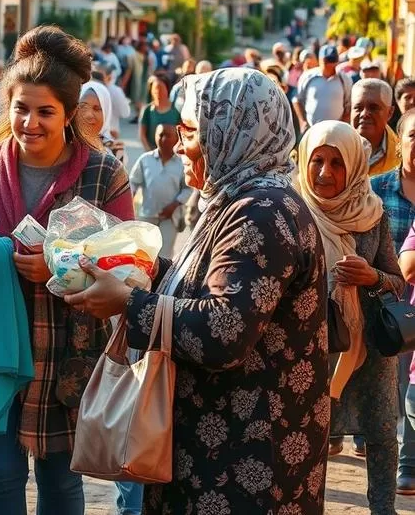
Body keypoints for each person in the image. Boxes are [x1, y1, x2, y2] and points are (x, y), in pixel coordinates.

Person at [65, 68, 329, 514]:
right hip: (222, 452)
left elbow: (225, 331)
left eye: (191, 130)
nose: (180, 140)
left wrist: (130, 304)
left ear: (227, 133)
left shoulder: (260, 214)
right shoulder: (239, 198)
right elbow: (213, 284)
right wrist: (146, 269)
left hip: (244, 463)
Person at [0, 25, 133, 515]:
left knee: (61, 484)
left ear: (69, 115)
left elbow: (129, 270)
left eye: (45, 111)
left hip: (67, 349)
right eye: (21, 108)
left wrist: (57, 264)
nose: (30, 123)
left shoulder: (102, 173)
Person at [297, 121, 404, 515]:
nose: (325, 173)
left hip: (367, 349)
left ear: (356, 167)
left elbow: (395, 280)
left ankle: (383, 509)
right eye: (318, 161)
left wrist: (371, 276)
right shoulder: (293, 213)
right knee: (311, 437)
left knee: (380, 435)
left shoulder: (371, 214)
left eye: (338, 163)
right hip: (312, 344)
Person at [370, 109, 415, 496]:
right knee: (395, 394)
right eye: (414, 135)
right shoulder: (377, 189)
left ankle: (407, 463)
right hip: (387, 312)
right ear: (400, 143)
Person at [130, 123, 192, 257]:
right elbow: (133, 182)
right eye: (160, 135)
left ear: (176, 139)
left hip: (170, 218)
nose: (163, 139)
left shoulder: (183, 163)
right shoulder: (145, 159)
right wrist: (130, 198)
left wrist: (175, 205)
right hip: (146, 215)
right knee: (143, 254)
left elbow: (188, 189)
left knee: (164, 255)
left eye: (168, 135)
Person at [293, 44, 352, 131]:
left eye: (333, 61)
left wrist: (342, 127)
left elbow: (349, 106)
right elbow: (297, 100)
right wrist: (302, 121)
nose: (330, 65)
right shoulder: (308, 76)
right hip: (312, 130)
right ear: (320, 60)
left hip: (336, 132)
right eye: (327, 61)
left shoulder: (344, 79)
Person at [352, 79, 399, 177]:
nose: (364, 114)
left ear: (390, 113)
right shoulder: (332, 149)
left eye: (373, 108)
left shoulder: (403, 155)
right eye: (358, 108)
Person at [138, 75, 181, 151]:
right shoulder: (147, 110)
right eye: (155, 89)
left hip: (173, 153)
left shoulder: (176, 110)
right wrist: (149, 151)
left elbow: (182, 133)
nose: (157, 92)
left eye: (160, 88)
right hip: (152, 151)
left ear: (167, 89)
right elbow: (142, 134)